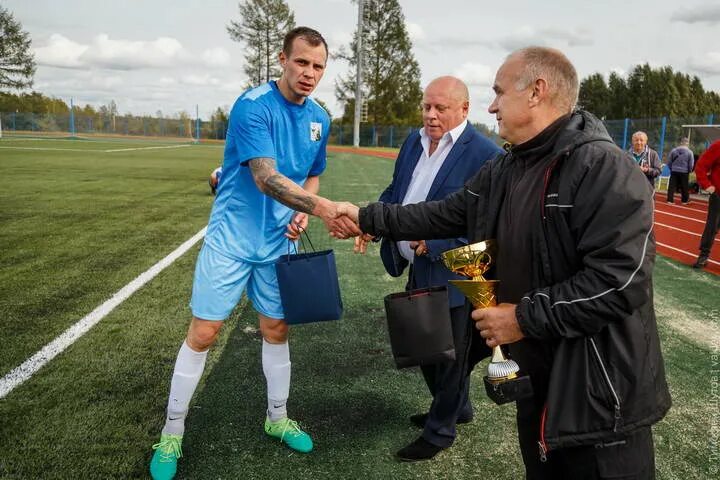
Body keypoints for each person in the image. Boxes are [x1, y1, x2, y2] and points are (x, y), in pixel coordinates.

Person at [344, 46, 671, 479]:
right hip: (539, 380)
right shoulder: (511, 165)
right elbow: (445, 212)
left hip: (598, 395)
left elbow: (619, 281)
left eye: (498, 92)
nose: (492, 105)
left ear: (536, 92)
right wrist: (364, 216)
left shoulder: (604, 168)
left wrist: (521, 318)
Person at [149, 27, 360, 480]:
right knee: (204, 333)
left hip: (277, 244)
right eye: (301, 62)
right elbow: (265, 177)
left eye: (318, 66)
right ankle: (171, 433)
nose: (309, 73)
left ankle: (278, 417)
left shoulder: (320, 117)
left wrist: (304, 210)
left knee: (277, 328)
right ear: (282, 59)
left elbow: (311, 177)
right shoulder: (253, 105)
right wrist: (326, 211)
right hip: (231, 240)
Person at [357, 76, 501, 461]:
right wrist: (374, 225)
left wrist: (435, 243)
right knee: (425, 350)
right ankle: (458, 407)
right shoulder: (412, 141)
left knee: (448, 356)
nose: (431, 115)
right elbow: (396, 193)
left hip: (456, 272)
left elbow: (487, 224)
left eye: (441, 108)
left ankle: (440, 431)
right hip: (414, 265)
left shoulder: (485, 154)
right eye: (427, 107)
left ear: (464, 109)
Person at [692, 139, 720, 269]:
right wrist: (707, 185)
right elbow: (701, 166)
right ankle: (704, 255)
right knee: (712, 227)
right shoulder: (718, 146)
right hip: (718, 195)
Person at [666, 137, 694, 204]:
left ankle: (670, 200)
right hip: (684, 171)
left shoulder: (674, 150)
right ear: (687, 143)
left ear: (681, 142)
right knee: (684, 186)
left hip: (674, 170)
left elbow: (669, 161)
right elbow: (691, 163)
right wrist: (689, 170)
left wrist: (671, 168)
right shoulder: (690, 152)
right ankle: (684, 201)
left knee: (672, 186)